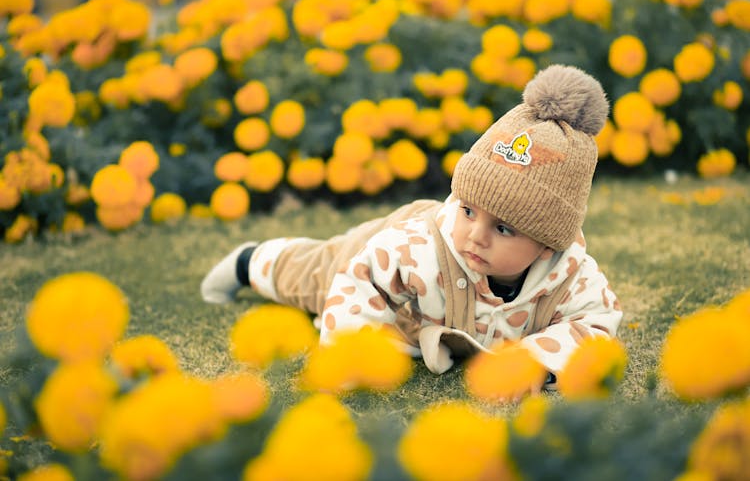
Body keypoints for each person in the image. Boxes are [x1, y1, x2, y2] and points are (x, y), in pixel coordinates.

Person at [201, 64, 623, 383]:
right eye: (470, 211)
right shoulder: (416, 248)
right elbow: (359, 281)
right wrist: (353, 359)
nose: (475, 234)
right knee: (314, 273)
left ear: (549, 245)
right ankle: (249, 261)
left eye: (504, 229)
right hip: (385, 248)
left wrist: (537, 363)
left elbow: (597, 324)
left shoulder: (569, 277)